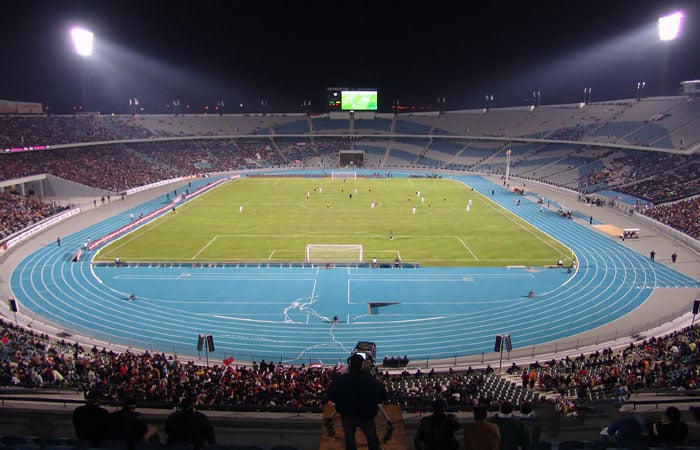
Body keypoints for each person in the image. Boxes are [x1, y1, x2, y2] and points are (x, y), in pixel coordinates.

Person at [326, 352, 388, 450]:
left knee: (349, 439)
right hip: (366, 415)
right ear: (362, 365)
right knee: (371, 438)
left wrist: (342, 403)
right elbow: (382, 396)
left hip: (347, 414)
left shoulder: (341, 380)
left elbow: (330, 394)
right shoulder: (370, 381)